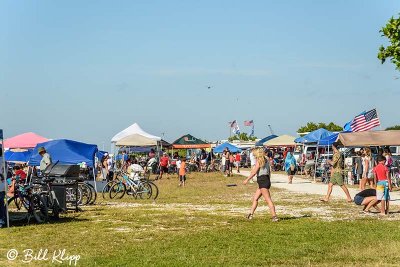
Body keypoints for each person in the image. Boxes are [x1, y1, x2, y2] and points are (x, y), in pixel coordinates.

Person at [242, 148, 278, 222]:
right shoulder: (266, 159)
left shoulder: (259, 161)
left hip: (262, 180)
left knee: (268, 199)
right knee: (255, 198)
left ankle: (274, 216)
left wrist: (247, 179)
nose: (254, 155)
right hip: (265, 180)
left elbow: (254, 172)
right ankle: (250, 214)